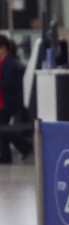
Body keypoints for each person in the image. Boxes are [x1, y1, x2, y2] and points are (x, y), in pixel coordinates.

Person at [0, 36, 32, 164]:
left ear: (4, 48)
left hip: (9, 102)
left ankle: (24, 146)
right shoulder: (7, 62)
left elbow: (9, 83)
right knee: (2, 127)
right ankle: (6, 155)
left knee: (2, 127)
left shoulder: (10, 63)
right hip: (6, 101)